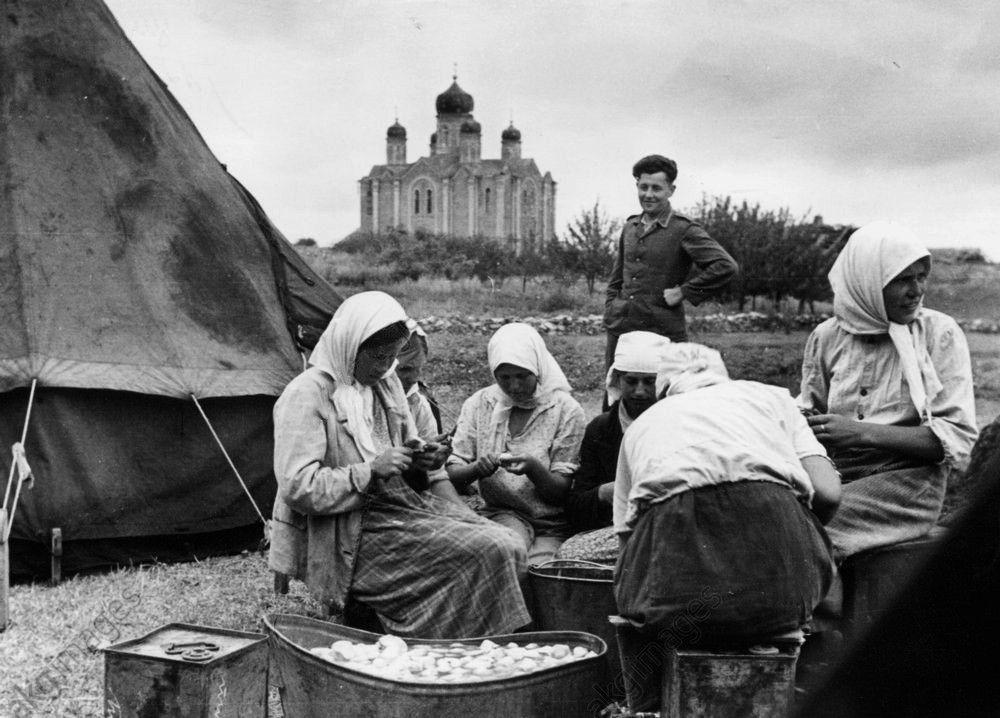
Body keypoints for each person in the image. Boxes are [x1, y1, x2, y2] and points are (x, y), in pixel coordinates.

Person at [268, 291, 530, 639]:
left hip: (398, 507)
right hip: (348, 528)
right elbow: (299, 487)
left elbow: (410, 457)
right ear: (350, 345)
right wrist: (372, 470)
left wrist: (421, 460)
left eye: (391, 358)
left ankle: (475, 644)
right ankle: (442, 646)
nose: (384, 367)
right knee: (488, 550)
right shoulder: (308, 395)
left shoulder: (385, 383)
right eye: (377, 357)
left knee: (507, 542)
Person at [614, 342, 841, 639]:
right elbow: (828, 493)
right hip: (783, 597)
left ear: (663, 388)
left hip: (674, 610)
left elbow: (625, 538)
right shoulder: (772, 398)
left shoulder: (641, 426)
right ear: (724, 375)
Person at [797, 221, 978, 562]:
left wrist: (861, 434)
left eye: (921, 276)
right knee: (766, 517)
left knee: (805, 532)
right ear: (866, 280)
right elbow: (811, 417)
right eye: (902, 279)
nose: (917, 290)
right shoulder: (827, 337)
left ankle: (823, 611)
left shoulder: (939, 334)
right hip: (835, 479)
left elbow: (954, 439)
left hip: (907, 488)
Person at [446, 322, 586, 566]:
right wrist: (478, 469)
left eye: (522, 376)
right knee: (506, 558)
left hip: (550, 524)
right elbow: (453, 474)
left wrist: (534, 468)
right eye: (504, 378)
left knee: (541, 570)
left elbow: (560, 491)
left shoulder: (565, 409)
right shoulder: (480, 403)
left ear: (538, 369)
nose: (514, 386)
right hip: (500, 514)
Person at [603, 154, 738, 370]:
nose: (648, 194)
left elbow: (725, 266)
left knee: (663, 395)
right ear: (637, 186)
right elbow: (617, 277)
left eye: (656, 188)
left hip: (661, 331)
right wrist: (611, 308)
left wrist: (684, 292)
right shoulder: (630, 226)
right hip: (622, 328)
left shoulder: (683, 228)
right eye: (643, 187)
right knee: (617, 394)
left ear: (670, 191)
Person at [556, 331, 671, 564]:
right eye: (631, 381)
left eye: (650, 382)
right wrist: (603, 494)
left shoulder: (676, 422)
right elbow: (575, 506)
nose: (640, 391)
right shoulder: (600, 430)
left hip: (669, 527)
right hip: (618, 529)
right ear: (617, 380)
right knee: (570, 555)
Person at [395, 318, 443, 438]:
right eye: (405, 369)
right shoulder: (356, 402)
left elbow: (428, 440)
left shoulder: (416, 401)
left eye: (418, 369)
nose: (414, 379)